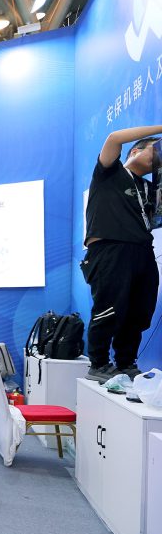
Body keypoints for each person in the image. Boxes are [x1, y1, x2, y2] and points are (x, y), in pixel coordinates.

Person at [81, 125, 162, 382]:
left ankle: (126, 362)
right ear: (135, 151)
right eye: (156, 151)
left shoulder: (151, 189)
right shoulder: (109, 172)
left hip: (143, 252)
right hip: (110, 249)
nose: (158, 157)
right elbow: (114, 138)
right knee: (110, 309)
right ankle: (99, 363)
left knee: (139, 312)